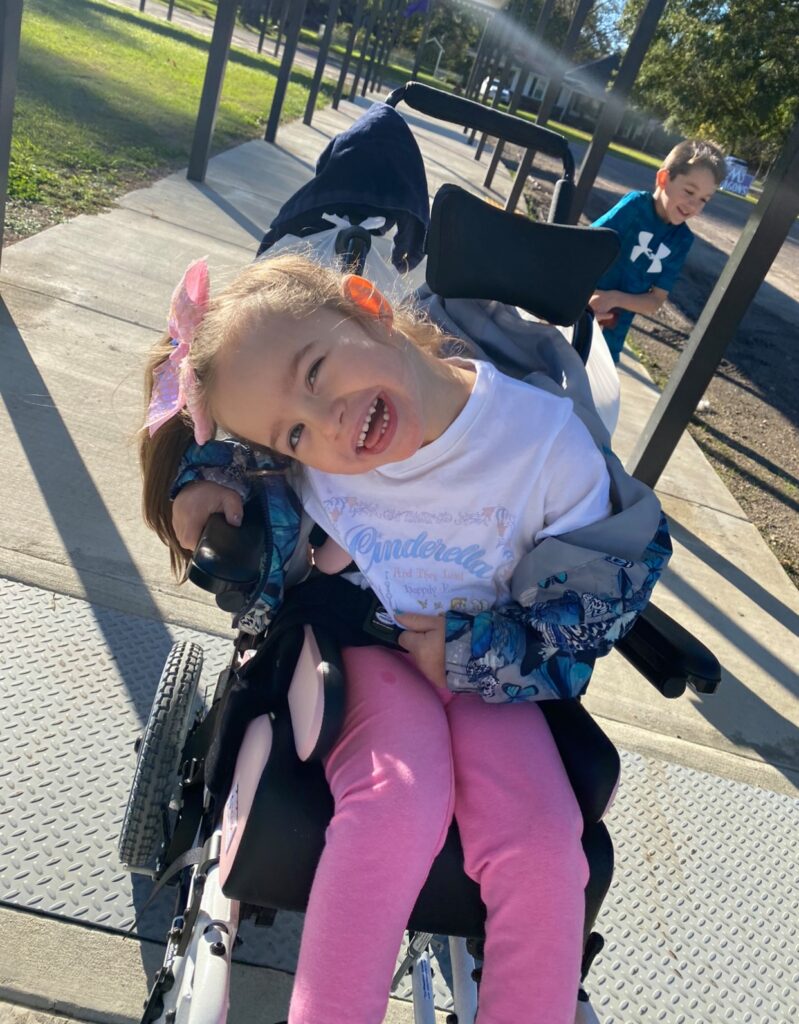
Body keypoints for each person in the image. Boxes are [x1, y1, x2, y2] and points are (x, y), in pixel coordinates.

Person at [140, 252, 671, 1024]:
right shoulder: (314, 448)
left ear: (368, 305)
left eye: (317, 371)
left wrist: (477, 652)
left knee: (542, 846)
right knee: (396, 804)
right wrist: (205, 475)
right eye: (296, 432)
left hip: (494, 665)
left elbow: (596, 595)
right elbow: (250, 437)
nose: (327, 422)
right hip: (364, 646)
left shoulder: (543, 444)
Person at [589, 139, 727, 363]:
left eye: (703, 200)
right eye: (689, 192)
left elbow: (655, 301)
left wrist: (612, 298)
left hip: (612, 334)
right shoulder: (635, 207)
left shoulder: (681, 240)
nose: (693, 206)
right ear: (664, 179)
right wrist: (587, 297)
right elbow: (587, 245)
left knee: (592, 390)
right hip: (579, 310)